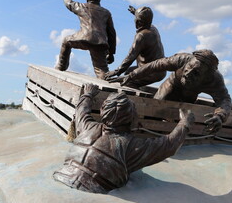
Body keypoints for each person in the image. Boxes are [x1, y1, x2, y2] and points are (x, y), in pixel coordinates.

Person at [53, 83, 195, 194]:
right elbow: (169, 145)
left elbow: (81, 110)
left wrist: (89, 94)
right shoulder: (132, 146)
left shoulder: (87, 127)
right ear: (131, 118)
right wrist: (185, 123)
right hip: (95, 190)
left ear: (103, 112)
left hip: (60, 176)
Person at [109, 49, 232, 134]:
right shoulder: (182, 59)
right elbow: (155, 65)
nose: (188, 73)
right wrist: (131, 76)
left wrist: (220, 116)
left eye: (196, 73)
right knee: (155, 107)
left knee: (179, 118)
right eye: (189, 67)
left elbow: (224, 99)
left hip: (188, 96)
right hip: (172, 85)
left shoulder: (214, 80)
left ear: (206, 76)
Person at [55, 0, 117, 79]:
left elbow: (69, 3)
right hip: (100, 43)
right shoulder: (106, 13)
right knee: (102, 71)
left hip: (83, 38)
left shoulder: (82, 6)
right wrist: (111, 53)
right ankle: (106, 84)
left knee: (66, 41)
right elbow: (112, 34)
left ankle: (61, 67)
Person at [105, 6, 166, 88]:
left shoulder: (141, 36)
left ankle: (131, 98)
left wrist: (116, 71)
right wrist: (136, 13)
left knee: (127, 82)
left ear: (138, 22)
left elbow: (130, 57)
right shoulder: (153, 28)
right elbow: (145, 19)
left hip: (151, 72)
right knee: (129, 72)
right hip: (158, 70)